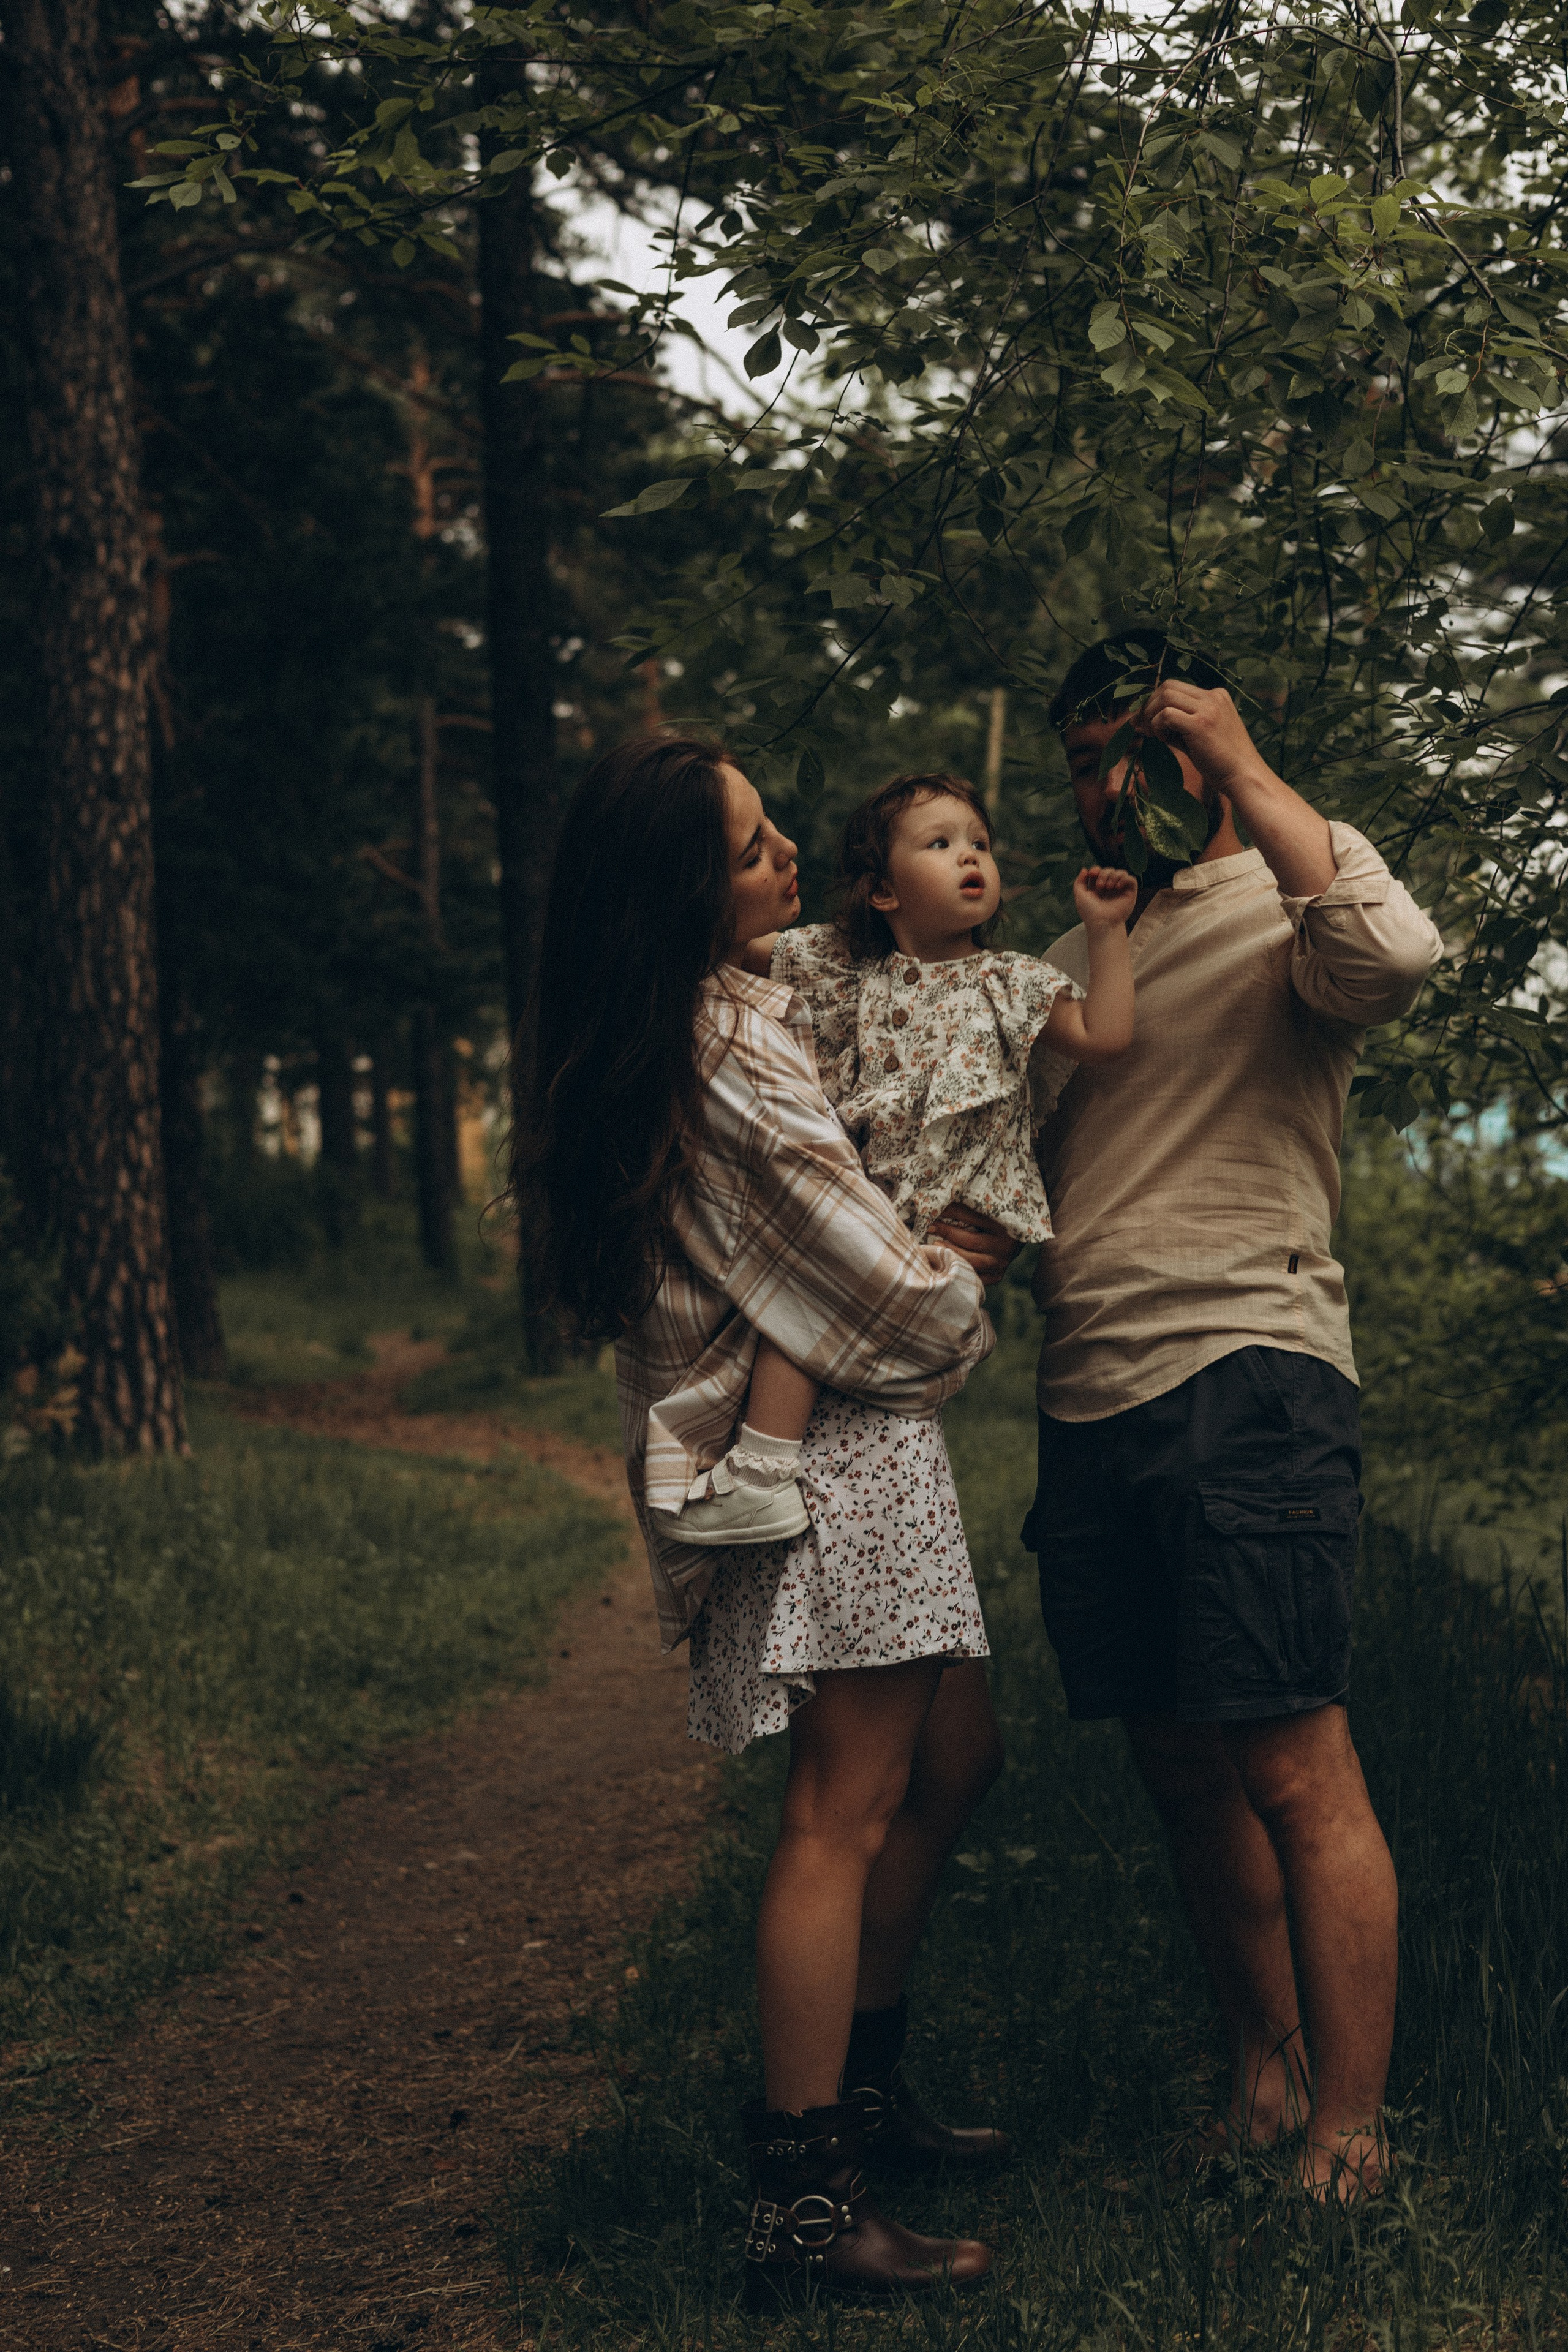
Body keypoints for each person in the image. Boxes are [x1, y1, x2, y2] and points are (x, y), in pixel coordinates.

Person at [516, 732, 1019, 2301]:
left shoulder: (733, 1007)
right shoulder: (723, 1046)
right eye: (747, 849)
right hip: (834, 1467)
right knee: (839, 1809)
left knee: (953, 1752)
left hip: (849, 1448)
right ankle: (805, 2203)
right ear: (682, 893)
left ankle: (860, 2094)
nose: (786, 853)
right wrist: (965, 1271)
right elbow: (879, 1282)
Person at [1024, 631, 1445, 2202]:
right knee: (1178, 1763)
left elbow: (1395, 961)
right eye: (1079, 763)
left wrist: (1248, 762)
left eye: (1131, 749)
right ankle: (1261, 2077)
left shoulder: (1295, 894)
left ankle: (1350, 2128)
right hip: (1089, 1392)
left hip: (1250, 1372)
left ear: (1195, 748)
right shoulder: (1076, 952)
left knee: (1288, 1760)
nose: (1102, 789)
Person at [662, 768, 1137, 1545]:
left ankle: (762, 1470)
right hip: (873, 1205)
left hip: (945, 1219)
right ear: (883, 891)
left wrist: (1107, 929)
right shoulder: (845, 966)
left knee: (802, 1316)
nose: (968, 856)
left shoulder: (1010, 981)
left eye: (977, 842)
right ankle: (767, 1467)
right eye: (940, 844)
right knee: (794, 1313)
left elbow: (1107, 1037)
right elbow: (733, 951)